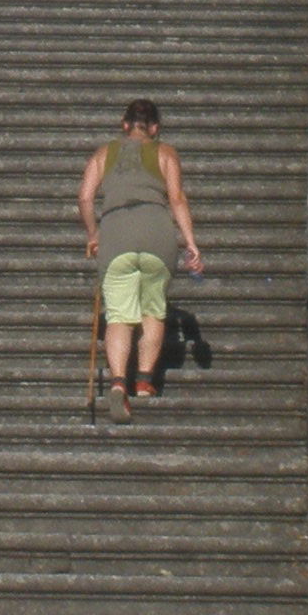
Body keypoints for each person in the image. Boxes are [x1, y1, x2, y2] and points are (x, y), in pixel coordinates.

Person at [79, 99, 203, 419]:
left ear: (124, 124)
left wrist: (94, 234)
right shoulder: (166, 153)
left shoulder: (104, 154)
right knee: (152, 309)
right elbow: (176, 198)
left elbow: (84, 197)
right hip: (156, 233)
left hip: (116, 233)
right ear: (155, 128)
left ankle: (119, 383)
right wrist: (191, 243)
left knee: (119, 316)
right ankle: (145, 382)